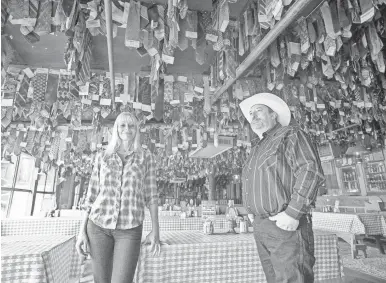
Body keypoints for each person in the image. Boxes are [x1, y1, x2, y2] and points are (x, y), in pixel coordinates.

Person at [239, 93, 325, 283]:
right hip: (261, 226)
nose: (253, 117)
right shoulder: (256, 148)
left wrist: (293, 213)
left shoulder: (290, 134)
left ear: (273, 115)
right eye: (251, 114)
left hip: (285, 226)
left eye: (259, 112)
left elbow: (310, 170)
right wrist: (252, 211)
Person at [75, 112, 160, 283]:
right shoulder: (103, 156)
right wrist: (81, 232)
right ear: (116, 129)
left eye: (131, 126)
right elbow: (91, 194)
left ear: (137, 130)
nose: (126, 129)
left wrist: (156, 230)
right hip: (98, 226)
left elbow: (152, 195)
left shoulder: (146, 157)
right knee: (101, 280)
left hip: (129, 229)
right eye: (122, 125)